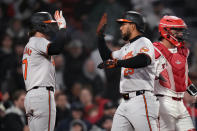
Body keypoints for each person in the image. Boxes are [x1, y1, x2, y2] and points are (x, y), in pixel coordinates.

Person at [97, 11, 159, 131]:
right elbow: (108, 58)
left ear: (133, 25)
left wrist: (118, 63)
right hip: (125, 102)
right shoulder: (126, 48)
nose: (120, 28)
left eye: (123, 24)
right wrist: (100, 37)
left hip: (141, 99)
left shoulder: (144, 41)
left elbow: (144, 59)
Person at [22, 10, 67, 131]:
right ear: (41, 26)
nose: (52, 27)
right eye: (49, 24)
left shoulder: (29, 45)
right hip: (42, 95)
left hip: (31, 97)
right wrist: (62, 28)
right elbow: (56, 48)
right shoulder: (38, 41)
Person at [154, 15, 196, 131]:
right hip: (162, 101)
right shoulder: (153, 50)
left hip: (180, 102)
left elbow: (183, 77)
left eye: (181, 30)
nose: (181, 33)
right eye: (176, 29)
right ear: (165, 30)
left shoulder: (183, 51)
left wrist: (194, 92)